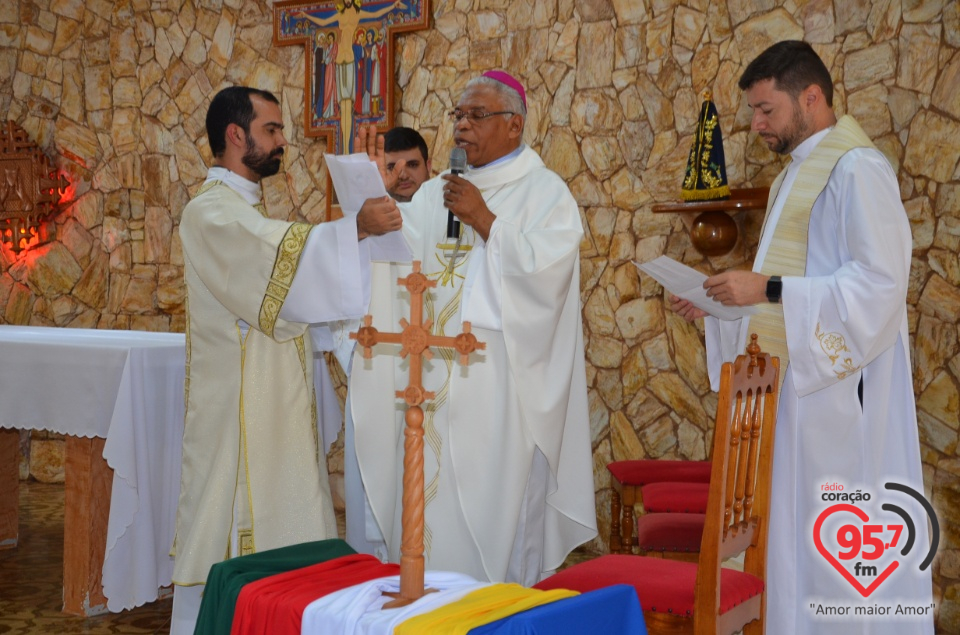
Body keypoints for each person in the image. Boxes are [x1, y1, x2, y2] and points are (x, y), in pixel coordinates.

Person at [670, 41, 933, 634]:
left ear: (810, 96)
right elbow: (781, 291)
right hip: (792, 397)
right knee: (786, 538)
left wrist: (763, 290)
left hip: (837, 403)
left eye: (767, 110)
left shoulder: (857, 169)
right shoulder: (799, 174)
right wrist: (718, 308)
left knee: (829, 544)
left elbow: (879, 286)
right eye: (754, 113)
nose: (757, 125)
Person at [341, 70, 597, 586]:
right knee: (424, 517)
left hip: (500, 392)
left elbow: (550, 278)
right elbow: (388, 258)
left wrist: (485, 220)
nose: (461, 126)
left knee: (494, 532)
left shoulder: (545, 192)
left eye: (476, 115)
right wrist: (370, 201)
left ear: (514, 125)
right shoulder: (437, 192)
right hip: (427, 386)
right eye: (457, 115)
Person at [170, 86, 402, 635]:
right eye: (271, 130)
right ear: (236, 135)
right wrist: (354, 227)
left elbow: (294, 271)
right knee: (232, 555)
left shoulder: (248, 211)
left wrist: (359, 226)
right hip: (239, 425)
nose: (282, 141)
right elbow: (276, 254)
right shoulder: (210, 214)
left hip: (271, 414)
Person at [383, 126, 432, 202]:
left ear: (428, 166)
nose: (404, 176)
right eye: (393, 167)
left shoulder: (449, 206)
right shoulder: (366, 209)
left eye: (412, 165)